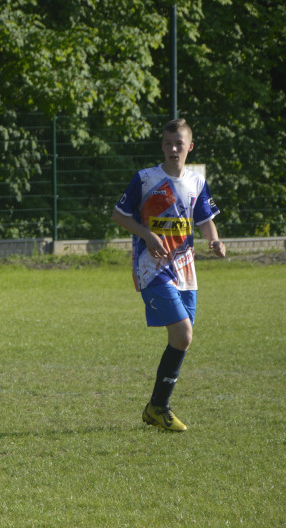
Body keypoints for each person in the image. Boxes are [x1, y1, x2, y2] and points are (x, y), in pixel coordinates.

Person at [111, 118, 226, 432]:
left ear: (190, 147)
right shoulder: (146, 179)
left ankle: (155, 408)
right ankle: (160, 407)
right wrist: (147, 235)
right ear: (162, 146)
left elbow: (204, 219)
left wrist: (214, 240)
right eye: (168, 143)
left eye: (180, 144)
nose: (174, 149)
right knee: (184, 334)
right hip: (152, 268)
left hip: (185, 270)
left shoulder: (197, 181)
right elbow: (119, 215)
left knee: (181, 340)